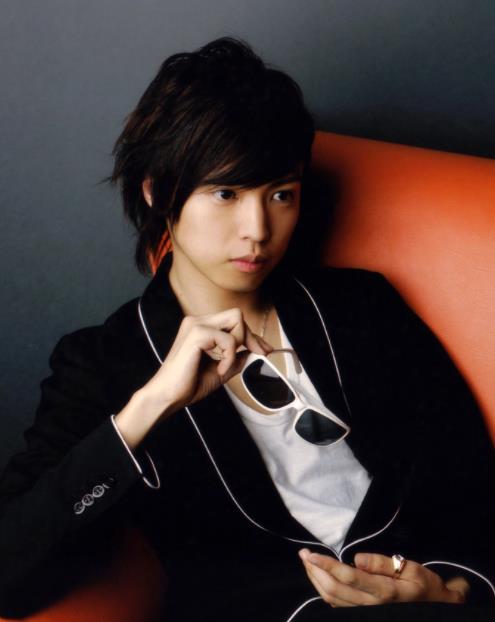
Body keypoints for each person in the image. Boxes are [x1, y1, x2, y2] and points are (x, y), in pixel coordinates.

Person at [0, 36, 493, 622]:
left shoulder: (362, 308)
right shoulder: (105, 363)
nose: (257, 229)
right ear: (156, 190)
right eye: (226, 193)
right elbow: (11, 571)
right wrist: (151, 406)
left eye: (281, 194)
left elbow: (472, 480)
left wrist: (455, 592)